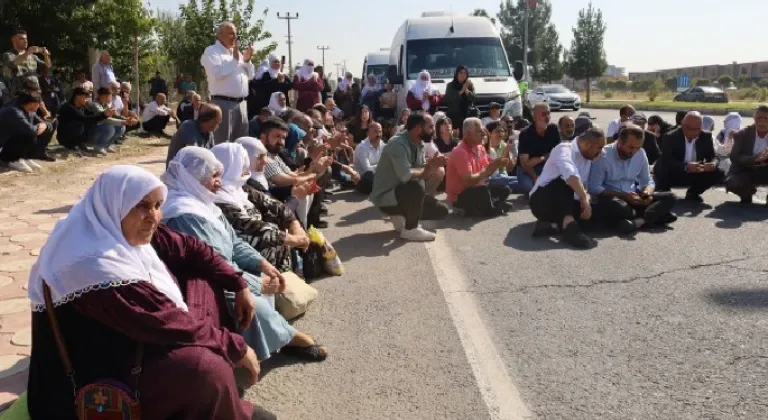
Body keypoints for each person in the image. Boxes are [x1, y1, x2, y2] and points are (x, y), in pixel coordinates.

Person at [26, 165, 277, 420]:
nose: (154, 216)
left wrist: (237, 283)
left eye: (158, 205)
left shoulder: (121, 231)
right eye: (142, 205)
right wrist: (236, 346)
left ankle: (215, 400)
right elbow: (163, 320)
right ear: (116, 204)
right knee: (203, 366)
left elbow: (191, 247)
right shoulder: (91, 263)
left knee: (202, 279)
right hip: (97, 375)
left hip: (127, 343)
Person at [162, 147, 328, 362]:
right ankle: (286, 338)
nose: (219, 182)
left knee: (264, 277)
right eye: (213, 177)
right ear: (194, 178)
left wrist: (261, 264)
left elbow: (233, 241)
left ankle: (271, 337)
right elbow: (213, 263)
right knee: (250, 301)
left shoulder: (203, 204)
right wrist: (252, 283)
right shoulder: (184, 214)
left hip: (225, 271)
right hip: (204, 281)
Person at [211, 142, 309, 272]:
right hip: (244, 256)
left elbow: (274, 204)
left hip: (269, 247)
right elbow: (247, 225)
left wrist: (295, 226)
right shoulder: (217, 197)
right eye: (242, 164)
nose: (246, 169)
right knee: (276, 238)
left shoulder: (240, 188)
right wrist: (293, 239)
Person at [370, 112, 449, 241]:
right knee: (414, 186)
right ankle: (410, 229)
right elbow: (406, 176)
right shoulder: (397, 144)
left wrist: (431, 167)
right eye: (430, 127)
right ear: (418, 129)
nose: (434, 131)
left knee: (442, 211)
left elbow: (423, 171)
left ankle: (402, 215)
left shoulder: (420, 143)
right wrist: (426, 170)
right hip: (386, 197)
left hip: (403, 193)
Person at [588, 125, 677, 235]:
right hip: (614, 199)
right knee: (617, 207)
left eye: (637, 148)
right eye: (631, 147)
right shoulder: (603, 156)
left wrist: (647, 193)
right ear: (620, 142)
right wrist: (624, 196)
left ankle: (637, 222)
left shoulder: (640, 153)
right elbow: (594, 187)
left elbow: (648, 180)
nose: (634, 152)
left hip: (636, 197)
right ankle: (657, 215)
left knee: (671, 197)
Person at [528, 127, 606, 249]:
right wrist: (583, 197)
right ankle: (570, 227)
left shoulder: (588, 157)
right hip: (542, 201)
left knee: (596, 216)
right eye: (599, 148)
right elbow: (571, 177)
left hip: (566, 203)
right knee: (565, 182)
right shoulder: (563, 149)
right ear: (587, 144)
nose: (601, 152)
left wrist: (586, 201)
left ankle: (553, 226)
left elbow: (583, 186)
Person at [201, 22, 255, 144]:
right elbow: (216, 74)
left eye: (236, 34)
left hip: (241, 104)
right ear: (220, 35)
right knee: (222, 143)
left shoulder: (238, 53)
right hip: (223, 103)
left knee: (241, 144)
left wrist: (246, 61)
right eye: (231, 34)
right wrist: (235, 60)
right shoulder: (212, 51)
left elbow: (251, 76)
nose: (235, 37)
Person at [446, 118, 512, 217]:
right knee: (482, 190)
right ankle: (492, 209)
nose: (483, 134)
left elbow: (489, 168)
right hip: (459, 196)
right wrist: (487, 170)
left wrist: (499, 163)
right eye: (479, 132)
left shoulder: (480, 148)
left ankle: (486, 207)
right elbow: (469, 181)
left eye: (482, 130)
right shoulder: (460, 152)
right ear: (468, 134)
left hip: (478, 189)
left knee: (505, 189)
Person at [655, 111, 723, 202]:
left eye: (697, 129)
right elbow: (667, 160)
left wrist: (712, 164)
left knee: (718, 172)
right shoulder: (670, 136)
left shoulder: (706, 136)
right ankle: (664, 192)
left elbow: (714, 157)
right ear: (683, 126)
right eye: (691, 129)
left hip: (696, 171)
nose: (694, 132)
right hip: (675, 171)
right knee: (662, 166)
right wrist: (686, 166)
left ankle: (693, 193)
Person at [725, 105, 768, 204]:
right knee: (732, 182)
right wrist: (755, 158)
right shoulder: (741, 134)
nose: (762, 121)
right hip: (746, 169)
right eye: (759, 118)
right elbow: (734, 158)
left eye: (766, 118)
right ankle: (747, 192)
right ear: (754, 118)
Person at [517, 103, 561, 195]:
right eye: (544, 114)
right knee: (529, 187)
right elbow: (526, 164)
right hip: (526, 171)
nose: (547, 116)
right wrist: (536, 179)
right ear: (534, 117)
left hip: (546, 167)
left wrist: (541, 158)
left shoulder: (553, 129)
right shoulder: (525, 134)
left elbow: (558, 154)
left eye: (549, 113)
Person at [0, 92, 47, 172]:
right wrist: (40, 127)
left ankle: (24, 157)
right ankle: (13, 160)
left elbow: (44, 124)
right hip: (2, 145)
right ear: (31, 103)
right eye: (38, 103)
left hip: (9, 141)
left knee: (32, 133)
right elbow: (31, 130)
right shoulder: (14, 112)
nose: (39, 106)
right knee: (28, 135)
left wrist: (43, 125)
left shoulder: (29, 111)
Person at [57, 87, 113, 154]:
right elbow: (84, 118)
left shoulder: (82, 107)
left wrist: (103, 114)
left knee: (90, 124)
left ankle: (80, 143)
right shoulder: (69, 107)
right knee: (80, 124)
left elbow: (92, 116)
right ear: (77, 97)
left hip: (74, 132)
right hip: (64, 137)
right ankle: (72, 145)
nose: (87, 100)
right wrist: (104, 115)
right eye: (85, 97)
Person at [86, 87, 139, 155]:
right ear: (100, 96)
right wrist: (124, 122)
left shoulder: (105, 105)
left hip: (99, 128)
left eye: (110, 96)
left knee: (121, 128)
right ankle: (98, 147)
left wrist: (127, 119)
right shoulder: (95, 105)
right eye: (107, 96)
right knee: (109, 128)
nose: (109, 98)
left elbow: (115, 115)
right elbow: (105, 119)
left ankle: (106, 146)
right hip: (91, 131)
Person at [2, 29, 51, 96]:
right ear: (13, 39)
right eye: (21, 38)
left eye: (26, 39)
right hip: (19, 94)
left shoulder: (33, 57)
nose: (25, 41)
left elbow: (47, 68)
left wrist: (46, 55)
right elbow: (12, 64)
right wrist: (28, 52)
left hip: (35, 93)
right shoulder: (8, 54)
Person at [249, 53, 291, 118]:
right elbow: (263, 86)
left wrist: (283, 83)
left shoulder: (283, 75)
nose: (277, 63)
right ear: (271, 63)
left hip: (281, 103)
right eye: (275, 62)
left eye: (278, 62)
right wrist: (276, 81)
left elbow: (289, 86)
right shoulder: (266, 74)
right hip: (268, 103)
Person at [353, 122, 385, 195]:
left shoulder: (383, 145)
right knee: (369, 176)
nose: (378, 134)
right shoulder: (362, 147)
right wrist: (383, 165)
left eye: (380, 131)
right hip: (364, 180)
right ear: (368, 134)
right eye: (375, 132)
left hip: (377, 176)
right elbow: (367, 170)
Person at [444, 65, 476, 135]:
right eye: (461, 73)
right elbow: (450, 100)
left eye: (465, 73)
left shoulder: (469, 85)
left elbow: (474, 99)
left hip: (467, 116)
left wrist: (466, 90)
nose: (463, 75)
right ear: (456, 74)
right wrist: (462, 90)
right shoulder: (450, 85)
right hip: (454, 117)